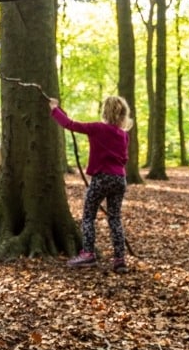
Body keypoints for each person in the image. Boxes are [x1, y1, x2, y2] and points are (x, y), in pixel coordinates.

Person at [49, 95, 134, 273]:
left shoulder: (97, 128)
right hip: (120, 179)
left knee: (88, 216)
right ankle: (119, 260)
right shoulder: (124, 135)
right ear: (122, 115)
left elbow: (70, 124)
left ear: (105, 112)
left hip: (102, 178)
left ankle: (88, 254)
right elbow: (124, 159)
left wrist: (55, 109)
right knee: (115, 218)